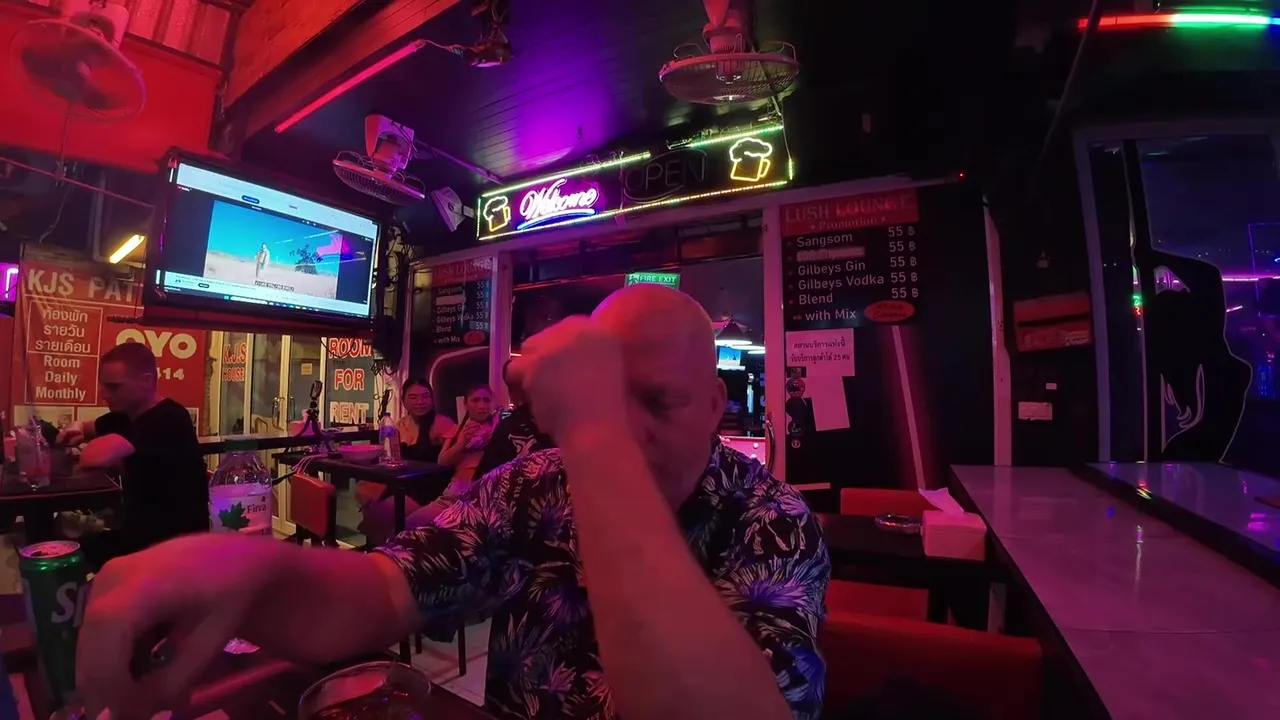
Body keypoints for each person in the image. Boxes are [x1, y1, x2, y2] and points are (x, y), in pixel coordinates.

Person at [76, 284, 829, 720]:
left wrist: (596, 431)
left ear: (715, 405)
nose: (628, 430)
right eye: (608, 401)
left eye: (657, 401)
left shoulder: (774, 523)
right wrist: (245, 572)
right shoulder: (535, 484)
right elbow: (383, 589)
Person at [56, 343, 207, 561]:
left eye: (114, 387)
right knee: (62, 541)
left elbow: (92, 457)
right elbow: (88, 428)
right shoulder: (126, 414)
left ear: (146, 381)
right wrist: (77, 426)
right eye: (103, 385)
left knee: (65, 554)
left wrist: (92, 445)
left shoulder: (169, 418)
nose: (103, 394)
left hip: (172, 545)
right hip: (140, 531)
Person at [1137, 245, 1252, 461]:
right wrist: (1156, 258)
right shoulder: (1216, 360)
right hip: (1201, 467)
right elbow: (1208, 277)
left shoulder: (1167, 370)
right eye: (1183, 297)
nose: (1184, 291)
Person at [356, 379, 457, 546]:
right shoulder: (399, 425)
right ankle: (383, 549)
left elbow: (451, 461)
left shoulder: (443, 424)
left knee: (383, 511)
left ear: (432, 399)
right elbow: (391, 457)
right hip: (403, 481)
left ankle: (385, 551)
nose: (420, 402)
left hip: (429, 486)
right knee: (364, 491)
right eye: (413, 397)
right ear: (403, 401)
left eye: (425, 396)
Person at [411, 383, 496, 523]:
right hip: (456, 492)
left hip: (485, 493)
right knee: (413, 522)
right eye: (475, 400)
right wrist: (462, 443)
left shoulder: (499, 429)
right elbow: (442, 462)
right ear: (465, 404)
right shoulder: (457, 430)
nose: (482, 405)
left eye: (486, 400)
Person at [471, 359, 554, 479]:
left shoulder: (507, 427)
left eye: (486, 400)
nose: (481, 406)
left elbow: (484, 479)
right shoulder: (507, 427)